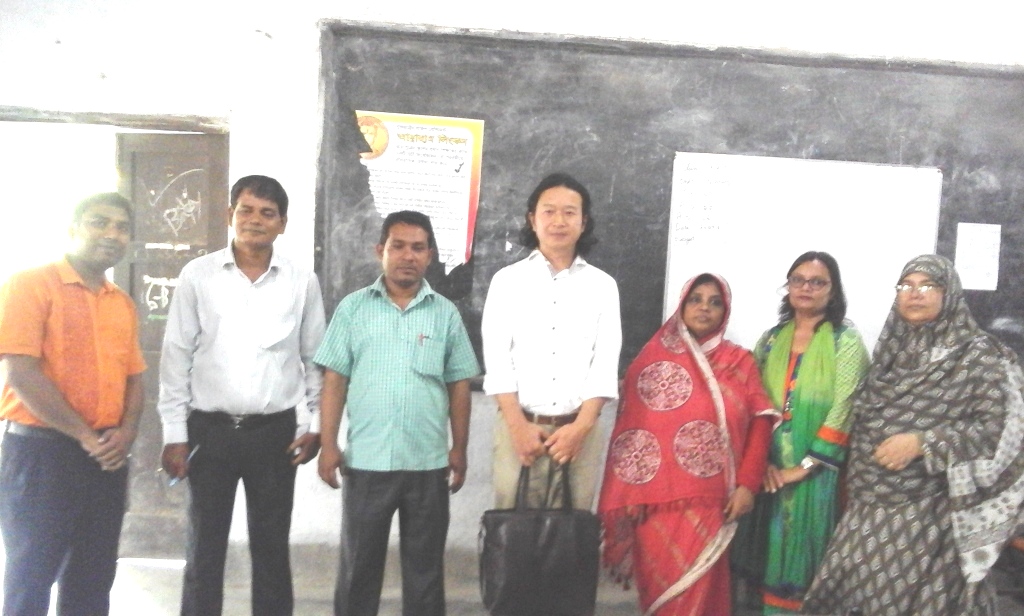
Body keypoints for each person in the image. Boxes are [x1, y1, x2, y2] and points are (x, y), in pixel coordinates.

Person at [802, 254, 1024, 616]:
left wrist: (923, 443)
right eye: (906, 285)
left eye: (927, 286)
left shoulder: (979, 355)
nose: (914, 293)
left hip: (933, 508)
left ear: (949, 293)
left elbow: (1001, 432)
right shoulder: (892, 349)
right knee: (850, 592)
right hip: (871, 499)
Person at [157, 175, 326, 616]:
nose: (255, 220)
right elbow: (176, 357)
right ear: (230, 215)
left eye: (267, 213)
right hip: (208, 432)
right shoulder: (198, 276)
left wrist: (315, 425)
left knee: (271, 549)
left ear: (282, 224)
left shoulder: (301, 280)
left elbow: (315, 358)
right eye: (246, 210)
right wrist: (174, 433)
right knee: (204, 547)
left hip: (274, 435)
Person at [315, 210, 480, 616]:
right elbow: (334, 381)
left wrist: (459, 449)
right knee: (358, 569)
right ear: (381, 251)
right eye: (398, 246)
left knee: (425, 574)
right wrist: (328, 444)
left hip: (427, 463)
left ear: (430, 256)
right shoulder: (353, 309)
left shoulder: (445, 313)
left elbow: (459, 385)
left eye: (418, 248)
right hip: (367, 462)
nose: (408, 256)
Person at [0, 192, 145, 616]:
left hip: (105, 460)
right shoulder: (30, 285)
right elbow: (22, 373)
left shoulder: (121, 303)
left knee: (93, 579)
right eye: (99, 222)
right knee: (31, 575)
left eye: (122, 228)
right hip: (41, 455)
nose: (111, 234)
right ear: (72, 229)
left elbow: (135, 378)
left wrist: (126, 434)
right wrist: (84, 435)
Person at [598, 273, 776, 615]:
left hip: (712, 502)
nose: (704, 308)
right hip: (653, 507)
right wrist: (630, 494)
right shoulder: (650, 362)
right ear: (681, 306)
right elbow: (629, 435)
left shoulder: (739, 361)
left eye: (714, 302)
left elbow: (761, 422)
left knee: (701, 593)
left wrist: (747, 485)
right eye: (696, 299)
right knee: (663, 595)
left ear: (725, 311)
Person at [731, 251, 870, 613]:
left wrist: (805, 466)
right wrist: (760, 464)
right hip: (770, 472)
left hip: (820, 475)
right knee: (767, 556)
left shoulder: (845, 341)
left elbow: (846, 406)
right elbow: (752, 401)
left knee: (809, 563)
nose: (806, 288)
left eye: (817, 282)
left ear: (833, 291)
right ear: (788, 287)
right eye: (798, 280)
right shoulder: (771, 340)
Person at [482, 172, 621, 511]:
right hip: (518, 429)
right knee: (512, 530)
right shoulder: (507, 281)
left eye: (570, 212)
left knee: (571, 532)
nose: (559, 221)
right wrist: (518, 427)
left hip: (580, 435)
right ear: (532, 219)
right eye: (549, 211)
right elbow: (497, 360)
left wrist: (581, 428)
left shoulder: (602, 286)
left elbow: (605, 363)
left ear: (583, 222)